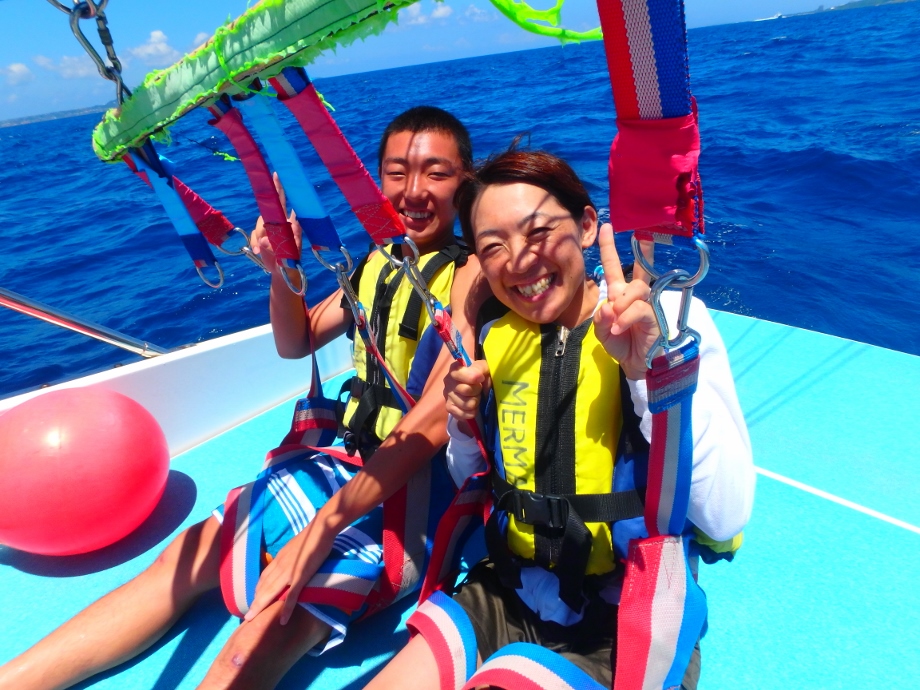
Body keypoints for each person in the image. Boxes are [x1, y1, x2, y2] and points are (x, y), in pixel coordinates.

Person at [0, 106, 484, 690]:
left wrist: (322, 529)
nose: (413, 191)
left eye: (436, 173)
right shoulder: (378, 263)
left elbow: (428, 427)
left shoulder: (471, 276)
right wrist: (282, 268)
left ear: (466, 181)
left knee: (258, 639)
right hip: (340, 462)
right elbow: (296, 339)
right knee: (185, 559)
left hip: (410, 498)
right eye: (396, 173)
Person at [366, 149, 755, 689]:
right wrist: (463, 422)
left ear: (587, 225)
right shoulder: (498, 338)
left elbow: (725, 516)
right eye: (493, 246)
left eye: (538, 231)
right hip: (508, 591)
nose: (519, 260)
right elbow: (474, 478)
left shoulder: (663, 323)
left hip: (626, 617)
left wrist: (648, 375)